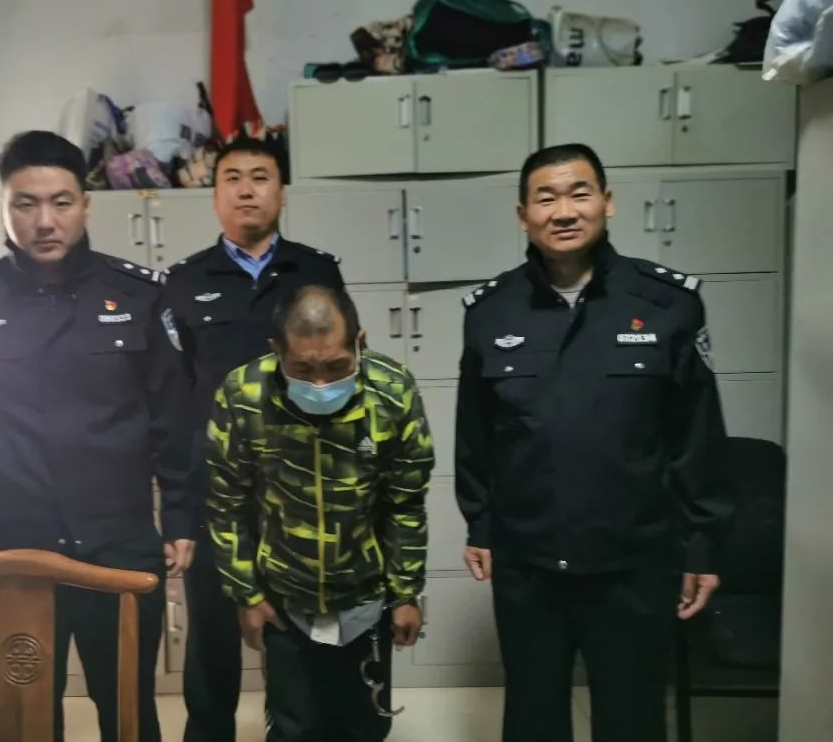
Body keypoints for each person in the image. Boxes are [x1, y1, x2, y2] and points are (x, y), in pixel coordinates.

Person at [454, 143, 734, 742]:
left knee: (631, 720)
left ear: (607, 202)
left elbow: (698, 436)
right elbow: (476, 434)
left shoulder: (667, 303)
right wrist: (480, 523)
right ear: (523, 215)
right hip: (529, 562)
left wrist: (701, 544)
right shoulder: (490, 311)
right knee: (532, 718)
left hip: (635, 561)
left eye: (579, 193)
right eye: (546, 198)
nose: (563, 211)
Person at [0, 131, 195, 742]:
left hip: (117, 545)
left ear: (86, 205)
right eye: (26, 204)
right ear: (4, 208)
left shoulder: (135, 294)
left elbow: (172, 417)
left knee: (128, 712)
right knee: (23, 718)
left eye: (61, 202)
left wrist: (180, 515)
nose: (45, 220)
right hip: (13, 551)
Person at [161, 136, 345, 742]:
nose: (246, 190)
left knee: (297, 641)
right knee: (212, 644)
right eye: (233, 178)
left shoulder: (317, 272)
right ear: (215, 196)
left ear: (282, 193)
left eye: (260, 177)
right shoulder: (185, 282)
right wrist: (178, 514)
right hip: (218, 497)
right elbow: (175, 405)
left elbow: (346, 378)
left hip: (302, 494)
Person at [207, 285, 432, 742]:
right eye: (303, 369)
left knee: (365, 726)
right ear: (276, 351)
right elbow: (225, 502)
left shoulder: (392, 392)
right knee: (295, 728)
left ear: (360, 343)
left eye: (336, 367)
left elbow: (405, 503)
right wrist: (246, 595)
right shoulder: (244, 395)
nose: (321, 384)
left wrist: (406, 594)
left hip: (366, 595)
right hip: (285, 598)